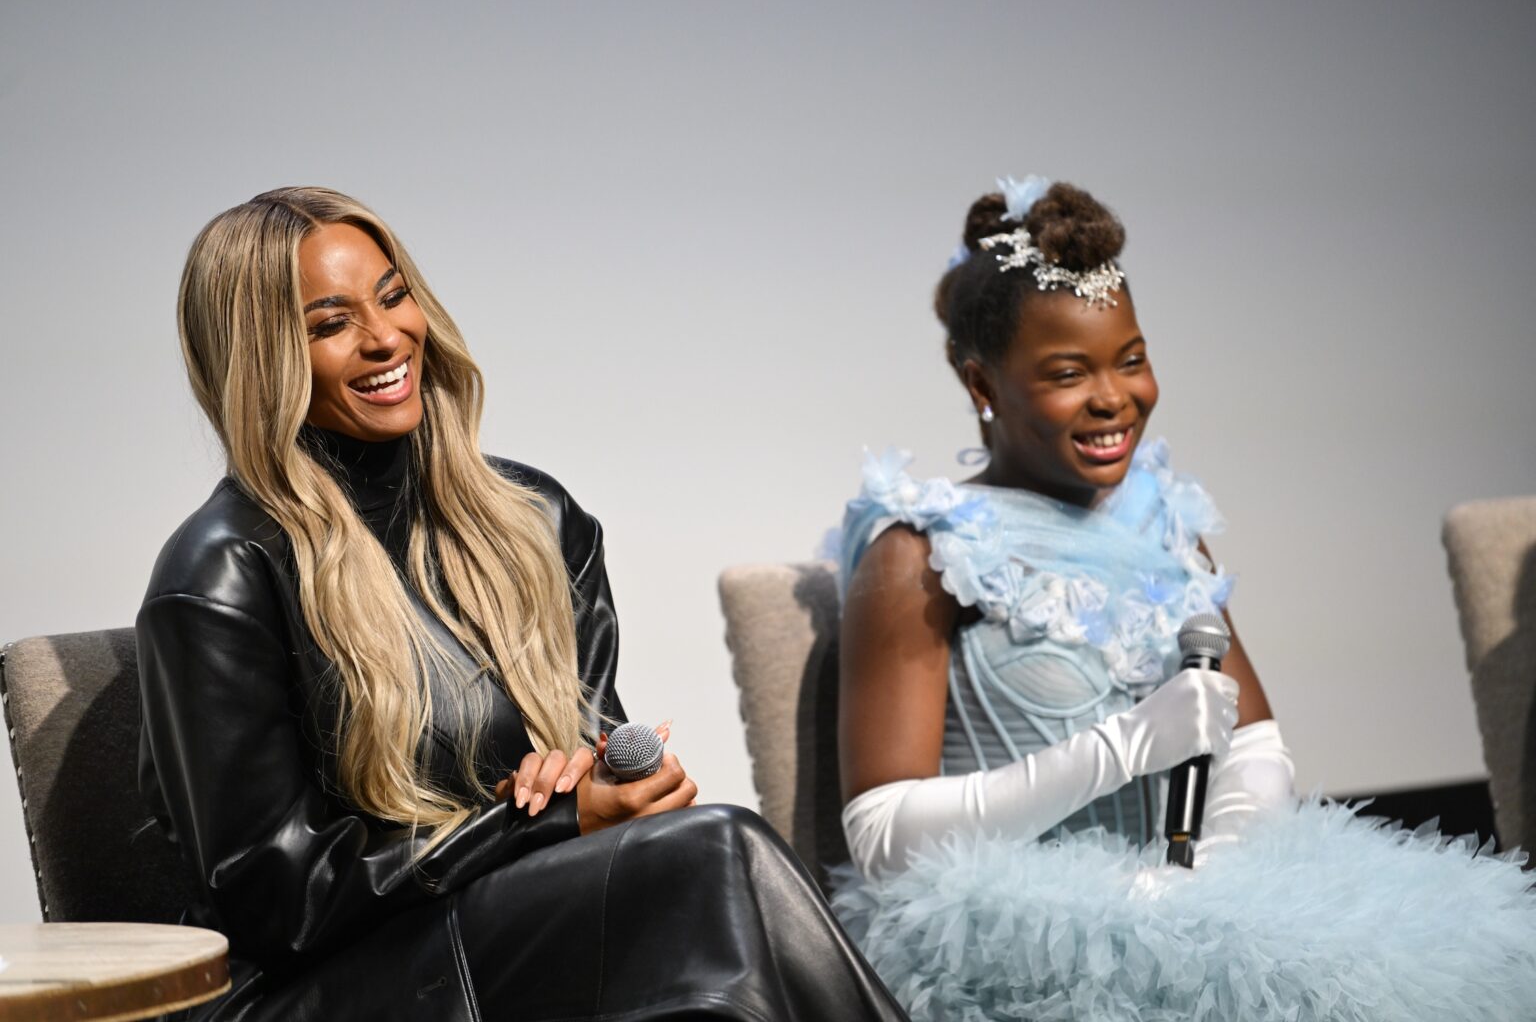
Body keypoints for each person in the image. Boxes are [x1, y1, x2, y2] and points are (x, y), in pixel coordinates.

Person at [138, 186, 907, 1021]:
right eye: (330, 325)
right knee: (717, 855)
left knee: (710, 916)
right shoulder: (221, 576)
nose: (386, 337)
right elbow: (277, 904)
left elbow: (604, 760)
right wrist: (534, 823)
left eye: (394, 296)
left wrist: (617, 781)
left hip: (511, 932)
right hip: (324, 988)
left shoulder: (534, 521)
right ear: (260, 360)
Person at [830, 176, 1536, 1021]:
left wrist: (1211, 881)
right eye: (1068, 373)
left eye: (1131, 360)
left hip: (1181, 895)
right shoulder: (922, 551)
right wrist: (1121, 747)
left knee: (1455, 958)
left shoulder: (1164, 526)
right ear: (983, 387)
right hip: (1015, 931)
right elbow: (884, 837)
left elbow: (1256, 745)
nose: (1113, 397)